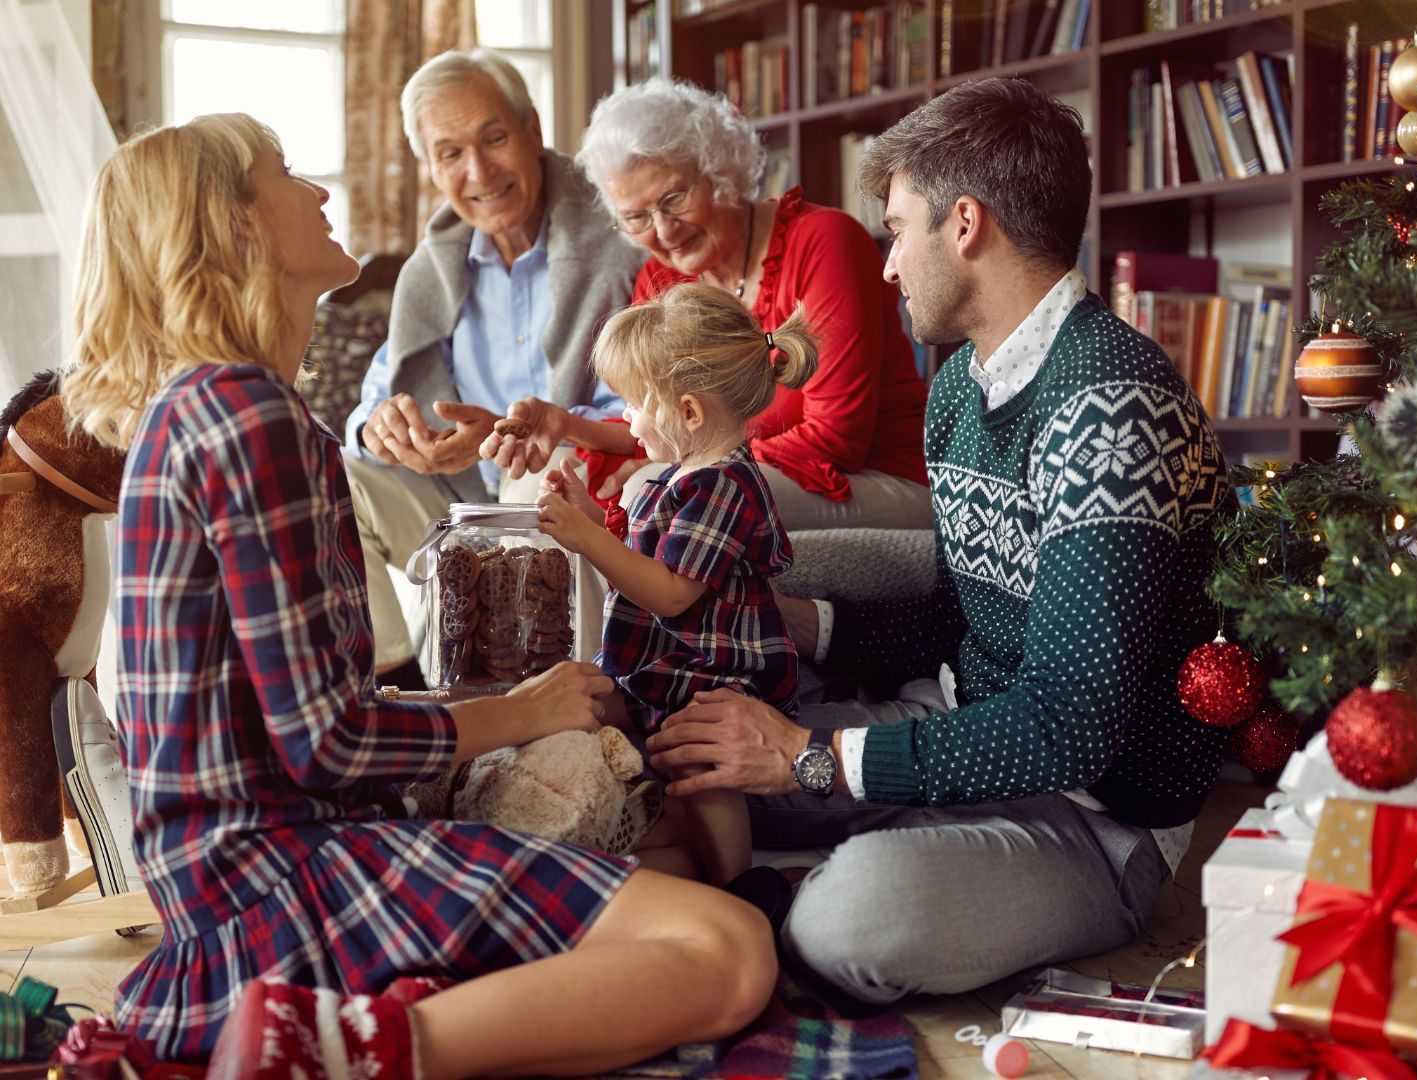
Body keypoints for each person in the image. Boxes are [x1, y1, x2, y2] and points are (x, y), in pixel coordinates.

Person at [58, 113, 774, 1076]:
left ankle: (384, 1015)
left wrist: (492, 711)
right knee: (727, 951)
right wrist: (523, 711)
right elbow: (328, 741)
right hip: (272, 888)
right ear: (232, 228)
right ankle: (336, 1047)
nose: (318, 191)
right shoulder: (245, 412)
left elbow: (299, 723)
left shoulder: (203, 407)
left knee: (659, 885)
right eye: (286, 173)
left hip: (236, 879)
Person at [643, 78, 1236, 1004]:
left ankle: (800, 903)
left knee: (850, 919)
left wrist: (806, 755)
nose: (885, 266)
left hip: (1094, 818)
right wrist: (801, 623)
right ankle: (794, 890)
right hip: (954, 721)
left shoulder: (1112, 404)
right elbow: (961, 615)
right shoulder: (961, 386)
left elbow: (1070, 729)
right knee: (691, 773)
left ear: (965, 225)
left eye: (896, 229)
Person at [480, 78, 931, 533]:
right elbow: (659, 423)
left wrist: (670, 473)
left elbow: (834, 441)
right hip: (741, 469)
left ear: (720, 170)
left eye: (674, 198)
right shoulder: (661, 280)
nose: (664, 229)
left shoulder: (824, 242)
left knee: (653, 495)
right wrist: (564, 424)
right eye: (637, 217)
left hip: (871, 481)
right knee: (547, 480)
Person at [341, 49, 647, 686]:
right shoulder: (434, 267)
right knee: (330, 479)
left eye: (494, 138)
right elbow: (380, 392)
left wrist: (535, 432)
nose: (478, 170)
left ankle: (551, 698)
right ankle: (401, 692)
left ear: (533, 130)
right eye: (450, 153)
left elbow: (653, 404)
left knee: (542, 479)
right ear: (430, 167)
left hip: (565, 484)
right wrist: (380, 425)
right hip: (457, 500)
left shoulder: (618, 237)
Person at [535, 282, 817, 887]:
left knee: (699, 759)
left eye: (634, 404)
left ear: (689, 412)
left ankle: (739, 884)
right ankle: (651, 840)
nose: (626, 421)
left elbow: (670, 592)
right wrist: (592, 518)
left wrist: (590, 542)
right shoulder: (679, 476)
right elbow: (646, 551)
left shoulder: (723, 484)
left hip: (712, 672)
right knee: (585, 703)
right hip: (663, 662)